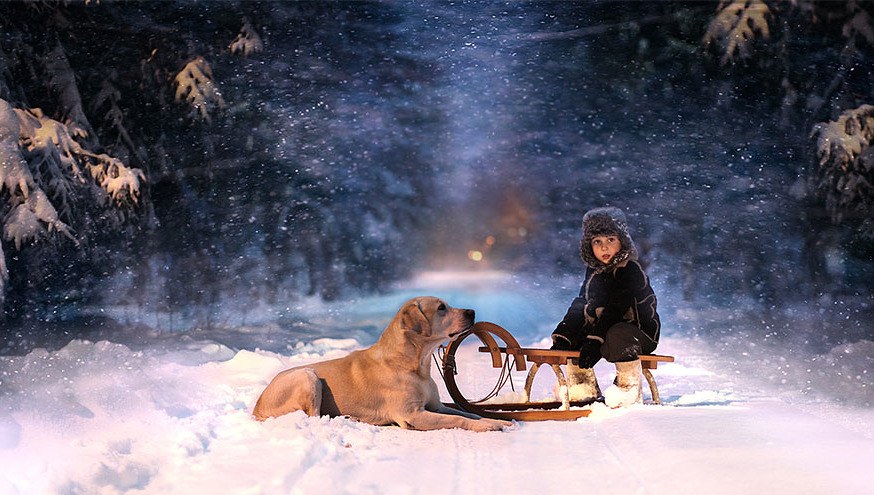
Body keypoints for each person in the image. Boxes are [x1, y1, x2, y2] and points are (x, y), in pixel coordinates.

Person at [550, 206, 660, 408]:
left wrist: (595, 340)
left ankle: (627, 390)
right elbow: (582, 304)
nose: (604, 247)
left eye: (611, 240)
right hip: (607, 331)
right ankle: (582, 388)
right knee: (577, 335)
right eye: (597, 242)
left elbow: (616, 309)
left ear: (622, 242)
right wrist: (565, 334)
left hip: (638, 333)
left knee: (617, 333)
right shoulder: (594, 273)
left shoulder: (629, 269)